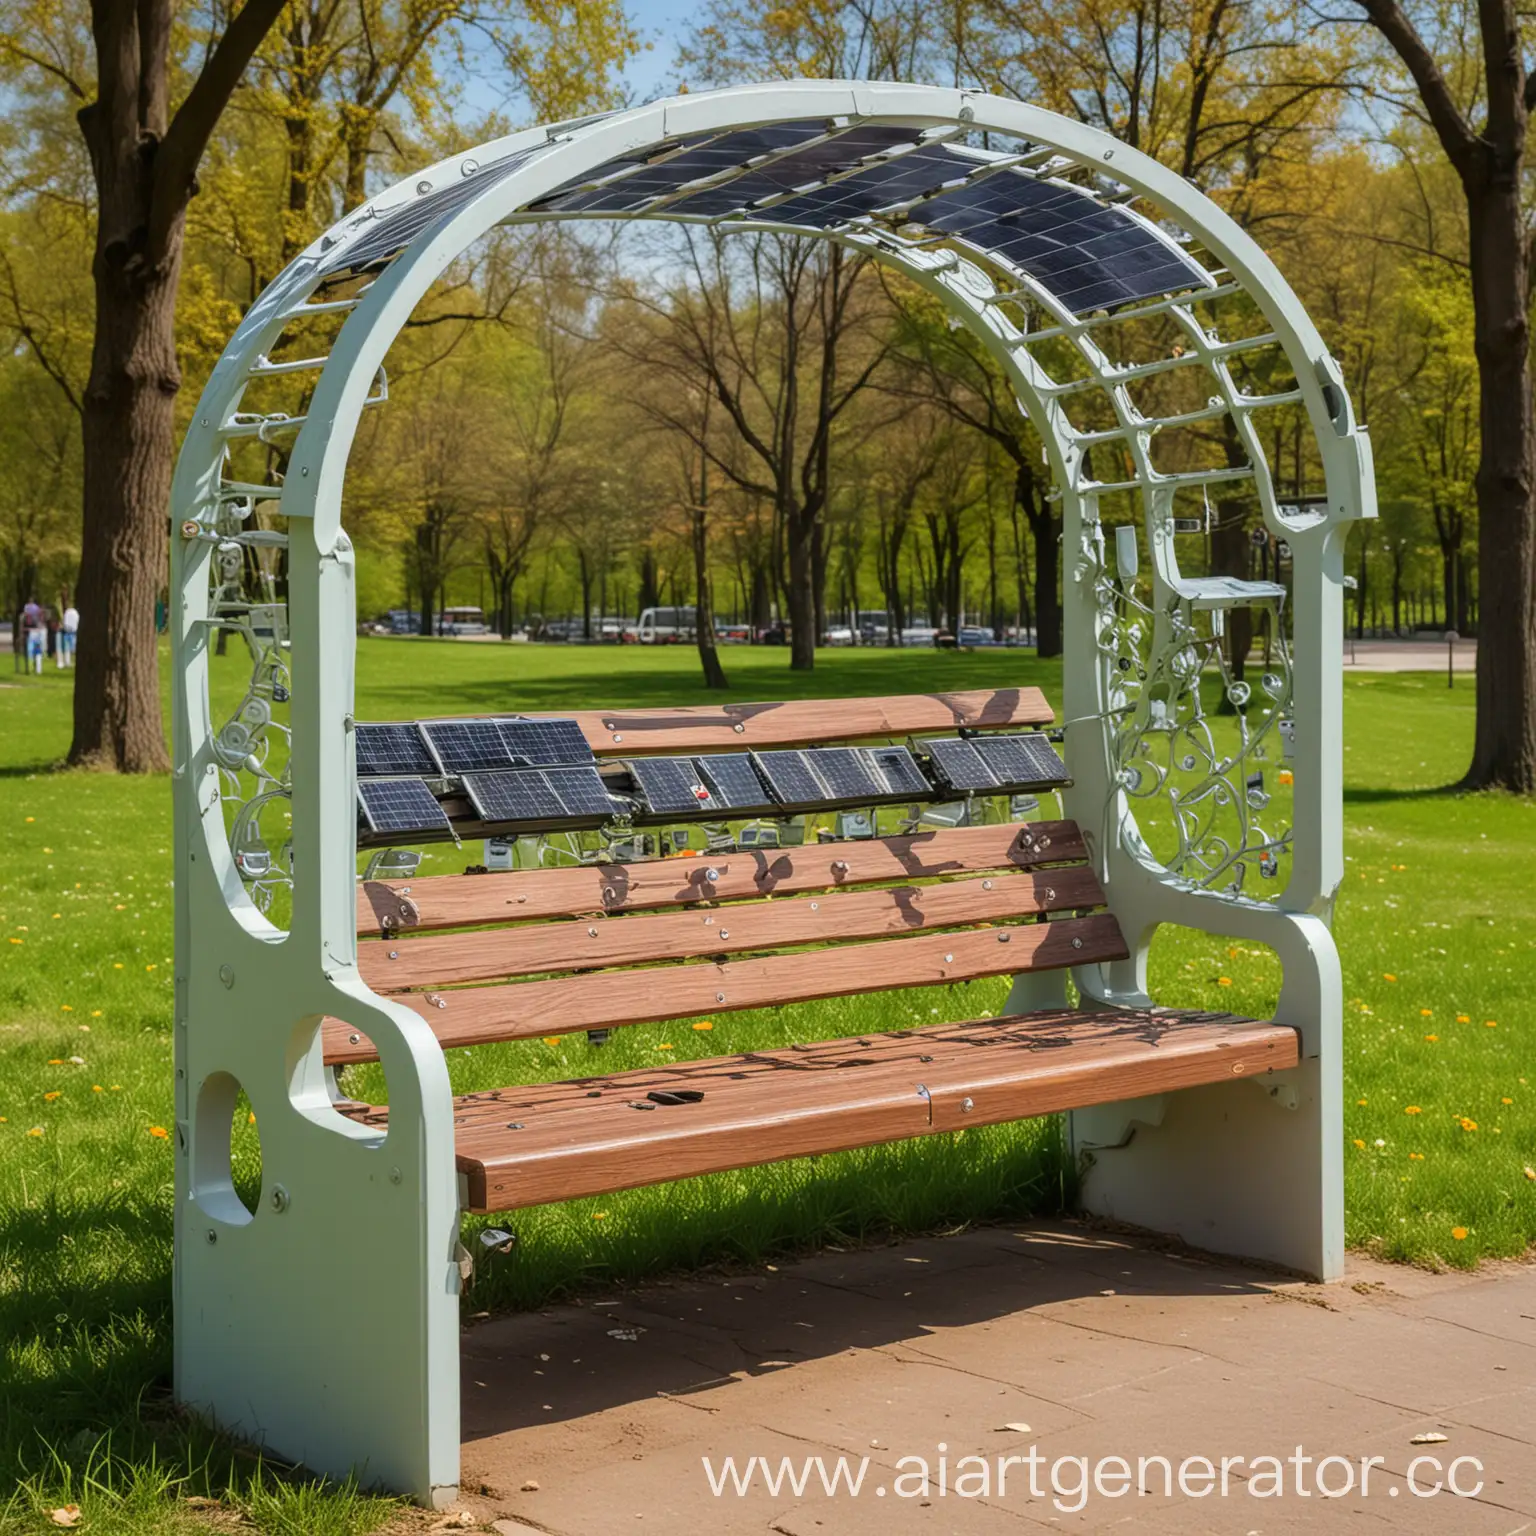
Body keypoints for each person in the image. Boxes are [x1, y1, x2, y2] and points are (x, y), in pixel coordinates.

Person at [22, 597, 46, 676]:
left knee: (32, 651)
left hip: (34, 634)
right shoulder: (36, 611)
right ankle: (36, 669)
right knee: (35, 652)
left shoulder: (28, 610)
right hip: (36, 633)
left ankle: (32, 668)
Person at [57, 598, 78, 669]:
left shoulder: (67, 612)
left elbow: (64, 621)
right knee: (73, 648)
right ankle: (70, 662)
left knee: (66, 648)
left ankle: (66, 661)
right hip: (73, 631)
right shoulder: (75, 613)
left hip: (66, 631)